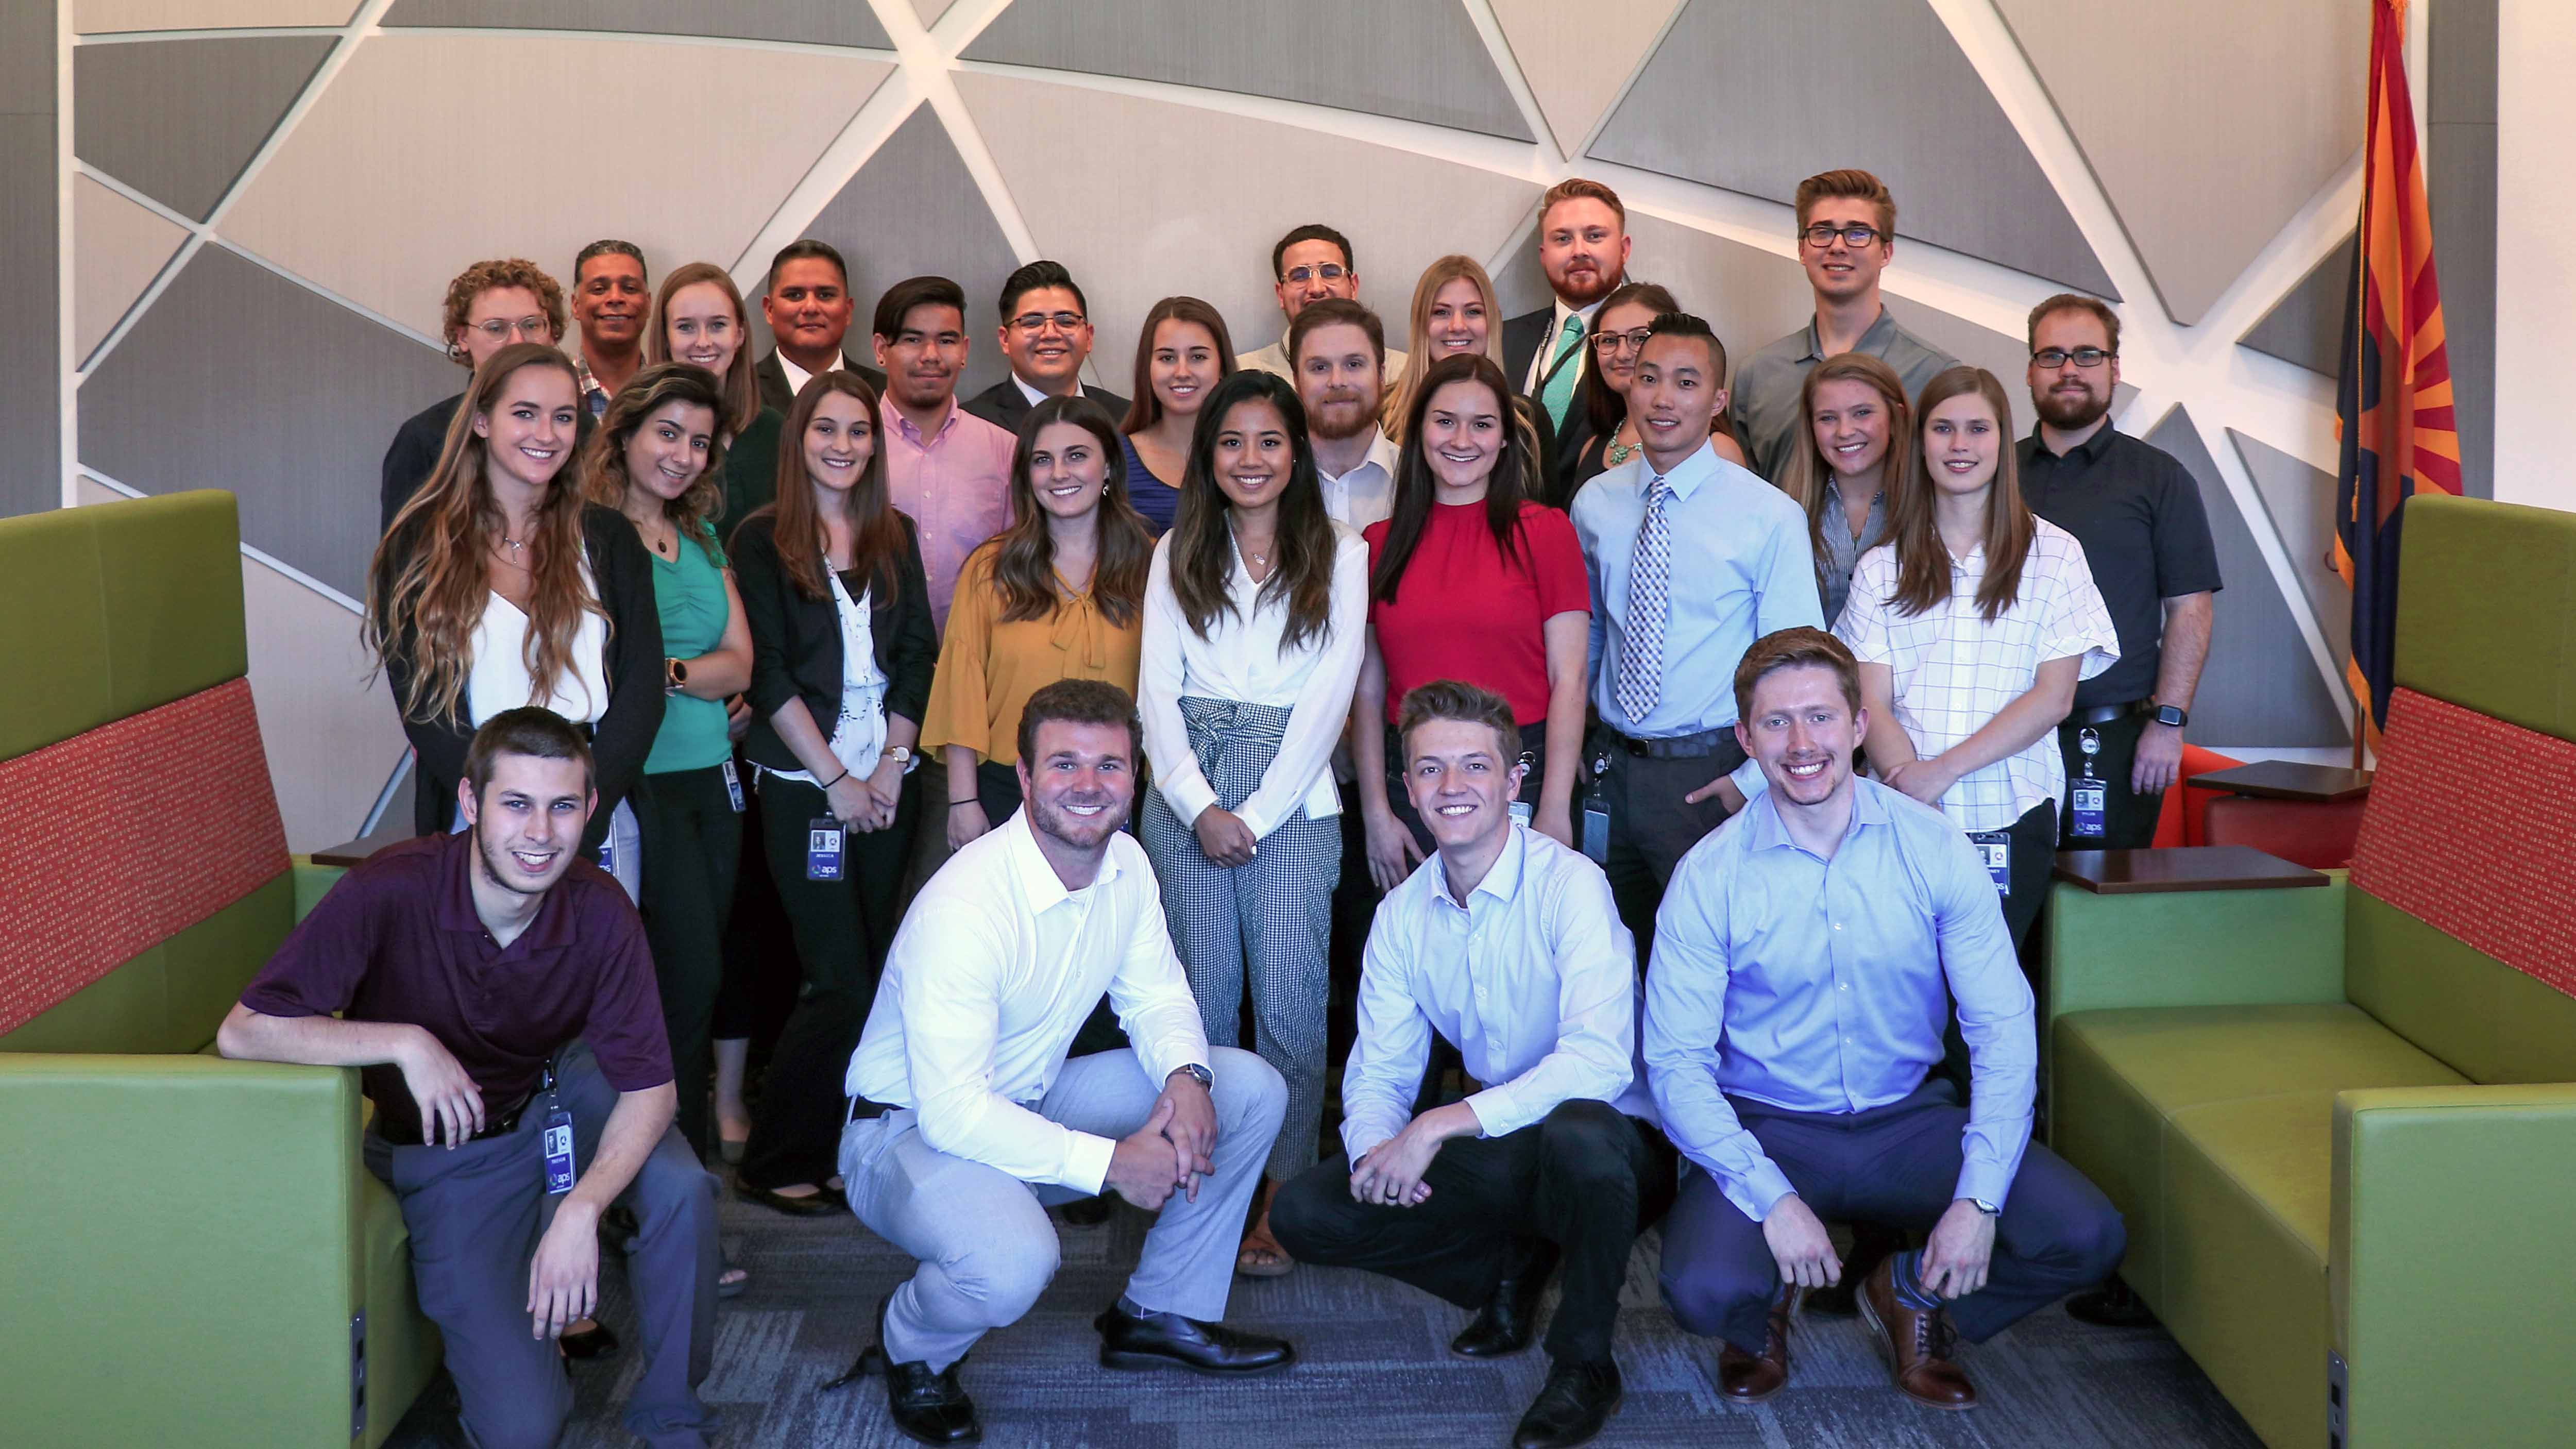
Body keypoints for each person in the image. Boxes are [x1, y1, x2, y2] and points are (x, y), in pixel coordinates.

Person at [1647, 628, 2126, 1410]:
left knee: (2087, 1236)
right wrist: (1771, 1198)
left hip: (1908, 1123)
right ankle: (1761, 1307)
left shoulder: (1933, 847)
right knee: (1702, 1290)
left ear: (1860, 724)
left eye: (1821, 718)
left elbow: (2002, 1029)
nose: (1802, 744)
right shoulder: (1709, 877)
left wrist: (1977, 1203)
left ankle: (1911, 1294)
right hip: (1770, 1124)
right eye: (1776, 723)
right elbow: (1674, 1066)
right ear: (1745, 739)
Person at [218, 709, 720, 1449]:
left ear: (590, 809)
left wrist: (583, 1209)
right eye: (516, 804)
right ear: (470, 804)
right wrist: (403, 1042)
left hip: (550, 1094)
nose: (540, 834)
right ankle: (527, 1322)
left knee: (681, 1184)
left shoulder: (600, 908)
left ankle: (670, 1413)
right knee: (524, 1429)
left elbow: (652, 1090)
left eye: (563, 807)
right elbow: (244, 1030)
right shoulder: (392, 889)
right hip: (450, 1156)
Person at [831, 681, 1296, 1443]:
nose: (1088, 786)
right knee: (1014, 1264)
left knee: (1245, 1087)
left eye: (1110, 766)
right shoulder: (968, 907)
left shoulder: (1129, 865)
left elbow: (1157, 999)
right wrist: (1113, 1164)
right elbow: (953, 1114)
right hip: (906, 1134)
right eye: (1065, 765)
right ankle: (909, 1345)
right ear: (1022, 776)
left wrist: (1187, 1076)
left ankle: (1161, 1313)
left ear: (1135, 777)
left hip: (1026, 1103)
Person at [1271, 681, 1672, 1449]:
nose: (1452, 788)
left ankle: (1585, 1363)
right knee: (1307, 1212)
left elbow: (1598, 1063)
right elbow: (1382, 1071)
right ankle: (1509, 1267)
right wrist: (1374, 1153)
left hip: (1618, 1146)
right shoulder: (1400, 917)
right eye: (1429, 770)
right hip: (1504, 1141)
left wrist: (1439, 1124)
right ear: (1409, 787)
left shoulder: (1572, 887)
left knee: (1579, 1135)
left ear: (1514, 780)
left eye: (1474, 767)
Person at [1138, 369, 1369, 1277]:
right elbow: (1155, 693)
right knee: (1200, 1000)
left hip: (1294, 796)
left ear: (1296, 451)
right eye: (1231, 442)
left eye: (1269, 441)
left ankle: (1282, 1195)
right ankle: (1204, 1175)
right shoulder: (1175, 549)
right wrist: (1199, 806)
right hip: (1187, 786)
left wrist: (1258, 813)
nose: (1251, 458)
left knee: (1291, 1003)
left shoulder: (1342, 550)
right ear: (1209, 456)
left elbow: (1330, 693)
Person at [730, 370, 937, 1216]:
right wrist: (838, 781)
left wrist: (889, 764)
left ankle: (838, 1146)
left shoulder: (897, 533)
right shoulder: (759, 539)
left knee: (875, 973)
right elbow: (768, 669)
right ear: (799, 439)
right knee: (836, 977)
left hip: (893, 786)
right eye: (827, 430)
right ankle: (774, 1154)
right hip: (805, 789)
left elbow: (919, 652)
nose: (844, 446)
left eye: (858, 431)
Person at [1836, 366, 2119, 949]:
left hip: (2009, 812)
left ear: (2001, 440)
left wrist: (1940, 773)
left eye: (1976, 429)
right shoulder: (1879, 568)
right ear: (1920, 445)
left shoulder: (2055, 555)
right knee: (1906, 998)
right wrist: (1913, 788)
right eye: (1942, 429)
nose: (1959, 445)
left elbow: (2053, 697)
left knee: (1986, 998)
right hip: (1900, 812)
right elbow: (1869, 701)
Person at [367, 343, 664, 897]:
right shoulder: (419, 542)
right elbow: (422, 705)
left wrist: (578, 812)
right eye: (524, 413)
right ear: (481, 420)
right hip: (475, 809)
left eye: (564, 417)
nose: (546, 434)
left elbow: (642, 693)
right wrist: (498, 811)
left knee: (593, 979)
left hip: (597, 806)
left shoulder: (608, 539)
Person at [1570, 314, 1821, 958]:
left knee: (1713, 966)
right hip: (1610, 773)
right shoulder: (1595, 503)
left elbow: (1797, 670)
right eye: (1648, 378)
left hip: (1707, 777)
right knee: (1607, 960)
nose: (1662, 398)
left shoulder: (1767, 515)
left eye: (1685, 383)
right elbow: (1592, 635)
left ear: (1715, 400)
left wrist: (1750, 782)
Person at [582, 363, 755, 1161]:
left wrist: (675, 675)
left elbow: (741, 664)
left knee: (705, 975)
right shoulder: (587, 530)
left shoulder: (703, 536)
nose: (683, 455)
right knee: (669, 984)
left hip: (713, 779)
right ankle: (664, 1173)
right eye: (667, 434)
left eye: (698, 442)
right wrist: (689, 677)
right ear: (625, 433)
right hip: (636, 783)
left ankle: (671, 1171)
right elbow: (605, 665)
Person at [1352, 351, 1589, 880]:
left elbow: (1568, 678)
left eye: (1481, 424)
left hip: (1518, 775)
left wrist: (1553, 807)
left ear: (1505, 438)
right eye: (1444, 421)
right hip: (1409, 778)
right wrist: (1375, 812)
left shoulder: (1546, 532)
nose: (1462, 440)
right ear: (1418, 432)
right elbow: (1367, 690)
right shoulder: (1378, 544)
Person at [2014, 294, 2221, 850]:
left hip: (2114, 740)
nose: (2068, 370)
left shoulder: (2159, 479)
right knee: (2004, 919)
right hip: (2001, 737)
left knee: (2097, 917)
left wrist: (2169, 722)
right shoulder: (1994, 477)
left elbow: (2189, 608)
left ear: (2113, 368)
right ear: (2030, 369)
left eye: (2086, 355)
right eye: (2051, 356)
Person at [925, 395, 1154, 851]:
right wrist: (963, 801)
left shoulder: (1151, 564)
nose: (1060, 474)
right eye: (1042, 460)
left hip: (1116, 790)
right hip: (1009, 787)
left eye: (1077, 456)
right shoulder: (992, 568)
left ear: (1109, 467)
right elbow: (961, 686)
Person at [1731, 169, 1958, 483]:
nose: (1838, 246)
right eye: (1822, 232)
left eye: (1858, 233)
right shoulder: (1757, 375)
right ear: (1802, 249)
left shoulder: (1937, 375)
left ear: (1886, 253)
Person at [380, 257, 581, 532]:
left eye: (531, 325)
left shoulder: (583, 427)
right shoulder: (423, 438)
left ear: (553, 332)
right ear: (462, 337)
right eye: (496, 328)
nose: (517, 342)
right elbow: (402, 564)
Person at [1559, 283, 1749, 507]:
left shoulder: (1717, 449)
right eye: (1609, 340)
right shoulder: (1592, 446)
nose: (1622, 354)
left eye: (1640, 338)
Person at [1502, 179, 1632, 489]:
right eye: (1563, 239)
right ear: (1543, 255)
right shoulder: (1504, 339)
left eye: (1595, 236)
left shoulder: (1653, 343)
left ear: (1624, 249)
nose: (1579, 251)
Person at [1775, 352, 1915, 629]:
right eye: (1828, 418)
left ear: (1896, 416)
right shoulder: (1786, 510)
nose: (1845, 431)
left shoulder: (1928, 506)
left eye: (1862, 413)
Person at [649, 262, 785, 529]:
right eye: (686, 327)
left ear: (740, 335)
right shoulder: (640, 434)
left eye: (717, 326)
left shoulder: (777, 431)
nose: (703, 342)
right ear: (666, 338)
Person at [962, 259, 1131, 432]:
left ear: (1089, 337)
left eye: (1066, 321)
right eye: (1032, 323)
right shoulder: (972, 425)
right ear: (1005, 340)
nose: (1050, 334)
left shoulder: (1128, 420)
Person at [1119, 296, 1235, 535]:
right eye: (1167, 358)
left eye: (1198, 357)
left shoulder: (1254, 453)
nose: (1182, 372)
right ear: (1147, 368)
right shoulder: (1114, 457)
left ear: (1222, 367)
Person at [1236, 223, 1409, 383]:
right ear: (1281, 295)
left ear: (1353, 286)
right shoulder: (1242, 376)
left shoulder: (1404, 375)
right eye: (1299, 276)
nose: (1316, 288)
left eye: (1330, 273)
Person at [1289, 297, 1400, 531]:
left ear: (1381, 375)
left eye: (1354, 364)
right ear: (1297, 381)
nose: (1337, 382)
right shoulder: (1269, 481)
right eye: (1320, 368)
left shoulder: (1417, 480)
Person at [755, 238, 886, 411]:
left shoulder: (886, 395)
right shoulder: (736, 392)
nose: (810, 308)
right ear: (769, 310)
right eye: (795, 295)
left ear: (847, 311)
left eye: (825, 295)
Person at [571, 239, 651, 417]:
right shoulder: (554, 392)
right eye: (599, 290)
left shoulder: (668, 394)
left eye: (630, 289)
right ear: (576, 305)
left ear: (648, 303)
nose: (615, 298)